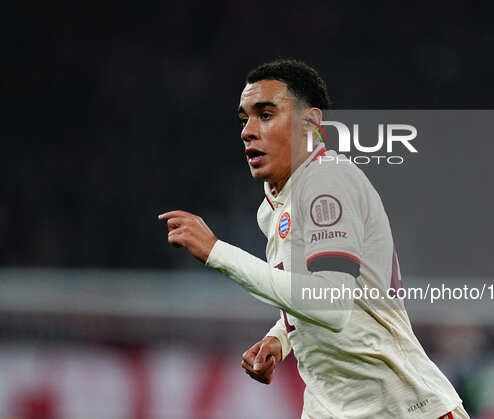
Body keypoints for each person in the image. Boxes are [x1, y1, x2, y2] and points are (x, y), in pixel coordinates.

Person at [158, 59, 468, 419]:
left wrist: (217, 252)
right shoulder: (275, 206)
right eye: (244, 119)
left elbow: (332, 305)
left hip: (403, 409)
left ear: (311, 123)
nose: (247, 130)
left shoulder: (327, 182)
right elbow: (313, 290)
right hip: (333, 408)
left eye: (266, 114)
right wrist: (282, 337)